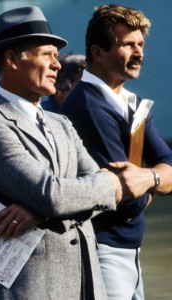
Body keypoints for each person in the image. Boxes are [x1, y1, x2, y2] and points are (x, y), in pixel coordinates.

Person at [0, 6, 127, 300]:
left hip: (87, 284)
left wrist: (40, 211)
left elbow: (102, 187)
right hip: (35, 288)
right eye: (45, 54)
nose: (57, 65)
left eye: (56, 55)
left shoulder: (60, 122)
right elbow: (53, 194)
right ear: (12, 60)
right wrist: (102, 187)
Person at [60, 4, 172, 300]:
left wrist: (148, 178)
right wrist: (156, 178)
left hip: (127, 248)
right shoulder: (88, 105)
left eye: (141, 44)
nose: (139, 53)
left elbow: (167, 166)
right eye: (128, 45)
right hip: (101, 250)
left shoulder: (132, 103)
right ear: (98, 53)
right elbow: (125, 199)